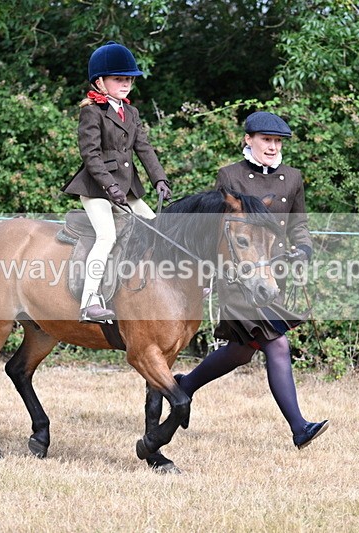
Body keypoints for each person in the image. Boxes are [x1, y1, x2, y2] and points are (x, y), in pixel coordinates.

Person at [176, 111, 329, 449]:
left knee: (242, 351)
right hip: (238, 278)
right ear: (248, 140)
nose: (272, 147)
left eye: (277, 141)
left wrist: (303, 249)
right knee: (277, 343)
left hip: (273, 276)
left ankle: (185, 385)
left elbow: (298, 224)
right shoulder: (229, 176)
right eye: (265, 140)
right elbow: (219, 230)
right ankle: (299, 428)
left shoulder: (292, 178)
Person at [63, 41, 172, 323]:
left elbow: (144, 149)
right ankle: (89, 301)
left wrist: (159, 179)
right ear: (100, 82)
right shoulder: (91, 112)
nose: (125, 85)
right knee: (107, 236)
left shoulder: (131, 112)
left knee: (159, 229)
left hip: (127, 188)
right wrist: (109, 186)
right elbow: (90, 154)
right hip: (96, 188)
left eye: (128, 80)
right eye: (119, 79)